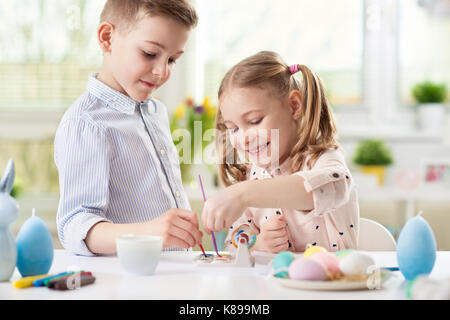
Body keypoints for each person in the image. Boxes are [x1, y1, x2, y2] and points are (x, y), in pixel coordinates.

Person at [54, 0, 202, 256]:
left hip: (176, 275)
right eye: (149, 53)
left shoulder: (156, 111)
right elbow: (75, 225)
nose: (161, 71)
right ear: (107, 38)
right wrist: (149, 232)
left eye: (172, 60)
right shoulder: (87, 123)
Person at [201, 51, 360, 253]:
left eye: (254, 121)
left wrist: (243, 194)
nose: (244, 138)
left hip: (332, 280)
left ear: (294, 106)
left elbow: (335, 187)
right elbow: (235, 246)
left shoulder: (322, 159)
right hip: (275, 284)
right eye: (233, 128)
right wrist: (257, 245)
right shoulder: (249, 178)